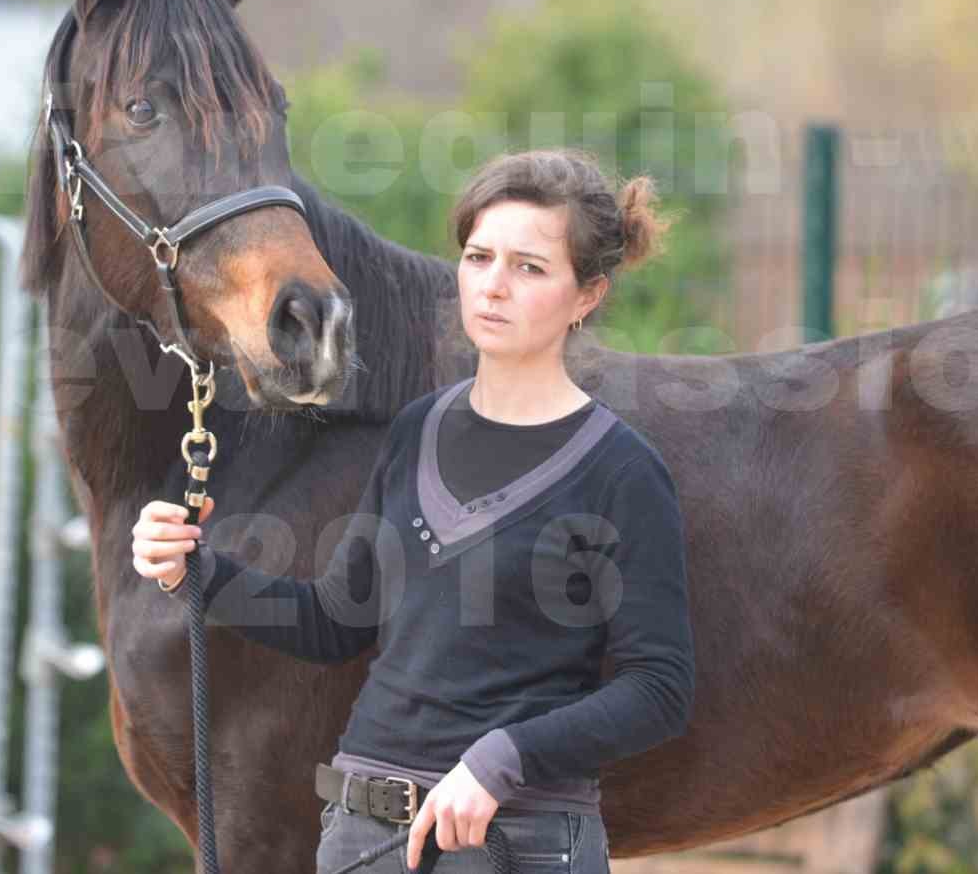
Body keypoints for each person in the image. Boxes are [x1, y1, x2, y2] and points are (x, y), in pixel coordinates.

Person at [132, 148, 695, 873]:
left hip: (515, 842)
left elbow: (660, 690)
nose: (492, 286)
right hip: (362, 835)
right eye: (478, 256)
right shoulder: (416, 431)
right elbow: (335, 622)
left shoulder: (620, 470)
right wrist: (194, 571)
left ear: (586, 295)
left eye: (528, 267)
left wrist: (502, 758)